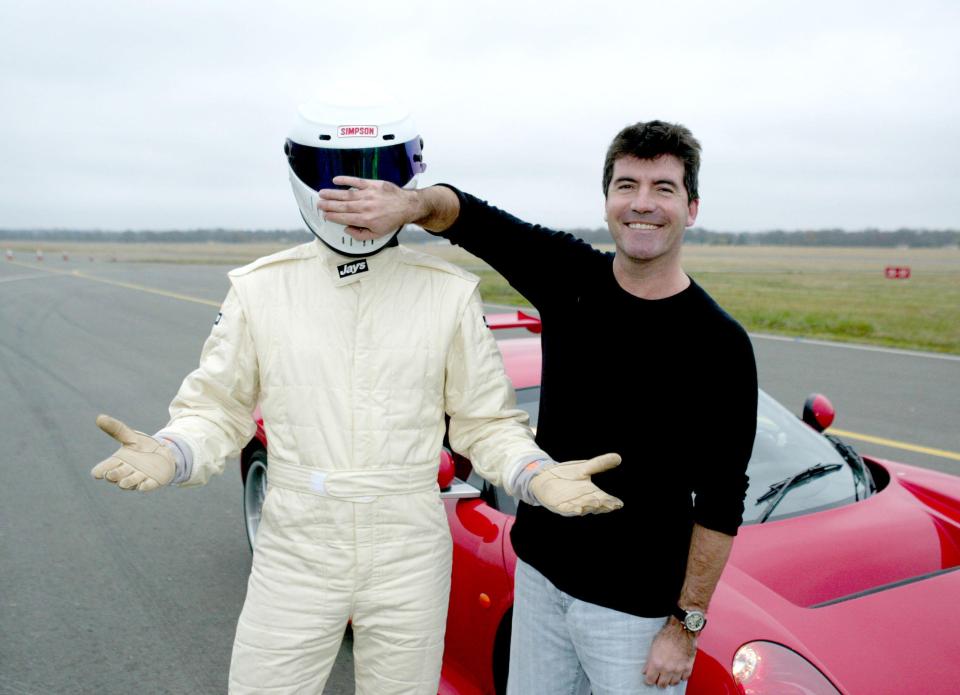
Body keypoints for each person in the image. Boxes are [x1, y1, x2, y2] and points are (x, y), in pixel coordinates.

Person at [90, 98, 624, 695]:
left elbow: (484, 421)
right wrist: (175, 451)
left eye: (376, 173)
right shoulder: (261, 289)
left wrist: (535, 475)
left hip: (410, 543)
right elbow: (218, 407)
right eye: (337, 174)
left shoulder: (447, 293)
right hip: (297, 540)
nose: (357, 194)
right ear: (301, 175)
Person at [315, 119, 759, 693]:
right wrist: (408, 204)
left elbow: (722, 503)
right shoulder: (572, 277)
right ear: (607, 201)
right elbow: (471, 218)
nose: (642, 204)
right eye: (627, 185)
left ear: (691, 208)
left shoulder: (719, 344)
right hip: (540, 583)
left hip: (634, 615)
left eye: (663, 189)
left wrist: (685, 626)